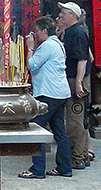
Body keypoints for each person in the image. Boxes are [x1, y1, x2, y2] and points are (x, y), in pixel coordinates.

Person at [19, 16, 72, 179]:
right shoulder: (57, 44)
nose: (35, 35)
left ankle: (37, 169)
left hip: (48, 93)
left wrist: (30, 48)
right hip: (60, 92)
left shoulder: (47, 46)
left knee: (36, 129)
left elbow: (32, 65)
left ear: (44, 31)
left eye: (37, 31)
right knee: (59, 131)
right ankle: (64, 167)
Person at [57, 1, 93, 169]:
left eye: (64, 12)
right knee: (77, 118)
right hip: (73, 78)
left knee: (75, 119)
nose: (61, 16)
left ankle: (76, 157)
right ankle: (83, 154)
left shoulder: (77, 33)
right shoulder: (69, 33)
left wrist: (79, 82)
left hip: (75, 79)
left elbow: (84, 59)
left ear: (72, 15)